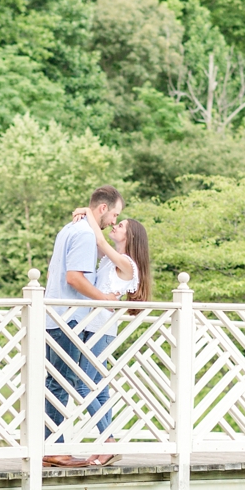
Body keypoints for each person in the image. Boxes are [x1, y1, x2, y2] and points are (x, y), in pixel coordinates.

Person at [42, 185, 125, 468]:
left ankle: (51, 445)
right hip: (68, 317)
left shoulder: (70, 228)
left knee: (56, 382)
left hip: (53, 314)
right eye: (114, 214)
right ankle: (54, 448)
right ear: (103, 209)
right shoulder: (85, 234)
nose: (114, 220)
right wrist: (103, 299)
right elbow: (74, 278)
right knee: (61, 383)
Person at [74, 208, 153, 467]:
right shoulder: (113, 260)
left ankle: (108, 441)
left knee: (84, 384)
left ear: (130, 236)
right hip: (93, 325)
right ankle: (106, 443)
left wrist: (88, 212)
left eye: (122, 226)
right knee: (100, 388)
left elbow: (99, 240)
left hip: (100, 329)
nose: (115, 226)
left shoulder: (127, 263)